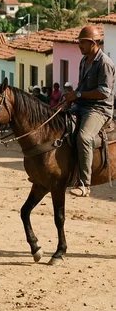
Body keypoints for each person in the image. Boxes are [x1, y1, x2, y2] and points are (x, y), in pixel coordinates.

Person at [62, 26, 116, 198]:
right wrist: (70, 99)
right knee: (59, 125)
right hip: (82, 104)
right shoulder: (83, 61)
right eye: (79, 42)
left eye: (82, 43)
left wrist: (77, 94)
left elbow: (103, 92)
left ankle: (84, 184)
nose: (79, 46)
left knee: (84, 137)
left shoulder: (105, 63)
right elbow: (82, 87)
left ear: (93, 43)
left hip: (99, 108)